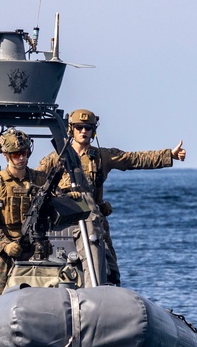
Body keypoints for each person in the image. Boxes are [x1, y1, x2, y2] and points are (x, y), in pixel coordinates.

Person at [36, 108, 187, 284]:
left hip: (95, 218)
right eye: (79, 127)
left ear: (94, 131)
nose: (83, 131)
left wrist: (169, 155)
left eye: (88, 128)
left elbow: (134, 159)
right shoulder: (56, 158)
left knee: (111, 268)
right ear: (71, 129)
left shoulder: (101, 156)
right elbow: (37, 182)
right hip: (65, 220)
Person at [0, 128, 47, 299]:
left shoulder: (40, 180)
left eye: (24, 153)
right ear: (6, 155)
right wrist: (5, 244)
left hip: (34, 248)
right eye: (16, 154)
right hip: (5, 250)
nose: (21, 158)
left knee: (41, 295)